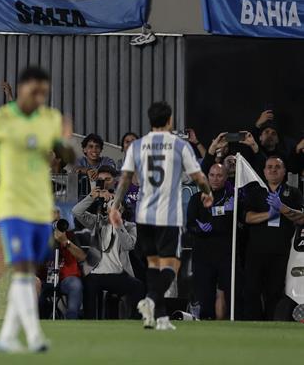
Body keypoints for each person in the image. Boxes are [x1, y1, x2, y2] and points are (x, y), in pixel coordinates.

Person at [0, 66, 75, 353]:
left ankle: (7, 335)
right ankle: (34, 334)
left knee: (27, 272)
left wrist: (66, 142)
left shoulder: (49, 119)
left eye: (44, 92)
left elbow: (65, 159)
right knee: (24, 269)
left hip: (41, 207)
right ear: (23, 88)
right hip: (12, 205)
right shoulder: (0, 120)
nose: (39, 97)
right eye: (35, 91)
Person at [111, 101, 213, 331]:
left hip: (144, 214)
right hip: (168, 216)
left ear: (150, 120)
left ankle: (159, 317)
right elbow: (198, 176)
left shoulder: (137, 146)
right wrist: (207, 193)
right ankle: (151, 301)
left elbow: (125, 178)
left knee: (152, 265)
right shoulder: (179, 145)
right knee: (171, 266)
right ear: (169, 121)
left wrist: (115, 206)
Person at [73, 167, 144, 319]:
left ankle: (135, 323)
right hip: (96, 273)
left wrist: (117, 223)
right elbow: (76, 212)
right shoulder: (99, 222)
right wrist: (92, 196)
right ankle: (89, 322)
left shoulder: (130, 227)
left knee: (138, 286)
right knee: (89, 282)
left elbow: (128, 246)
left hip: (119, 274)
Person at [243, 156, 304, 320]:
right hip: (256, 250)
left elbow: (301, 218)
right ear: (264, 171)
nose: (273, 170)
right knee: (252, 290)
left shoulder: (293, 192)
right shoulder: (256, 192)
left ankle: (273, 323)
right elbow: (247, 217)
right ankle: (252, 324)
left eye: (277, 167)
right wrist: (269, 214)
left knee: (275, 291)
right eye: (269, 167)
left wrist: (282, 208)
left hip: (281, 250)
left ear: (284, 171)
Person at [187, 162, 234, 320]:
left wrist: (226, 211)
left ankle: (228, 323)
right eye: (212, 175)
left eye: (219, 175)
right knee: (204, 293)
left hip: (225, 253)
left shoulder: (231, 197)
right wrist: (199, 228)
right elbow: (190, 225)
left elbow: (233, 223)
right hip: (203, 254)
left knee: (227, 292)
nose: (215, 179)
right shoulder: (196, 198)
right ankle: (206, 322)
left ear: (226, 177)